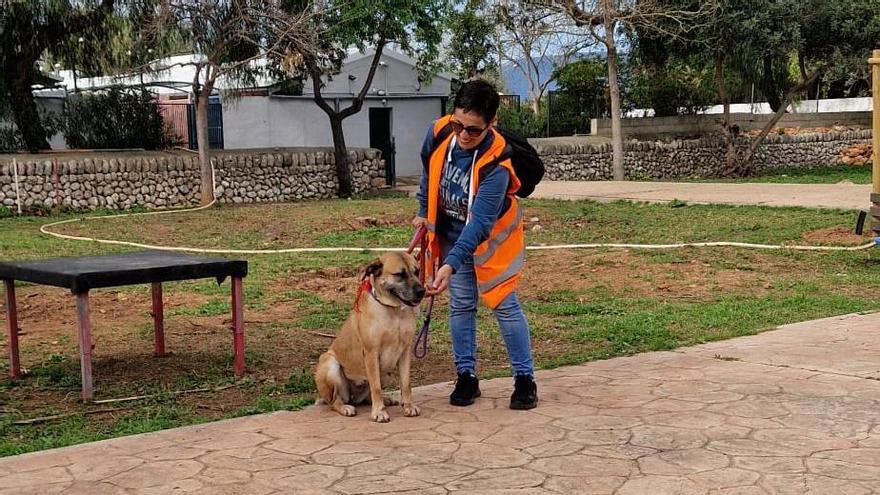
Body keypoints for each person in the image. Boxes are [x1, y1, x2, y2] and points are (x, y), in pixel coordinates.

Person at [412, 79, 538, 410]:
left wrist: (450, 265)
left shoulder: (498, 165)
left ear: (491, 124)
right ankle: (466, 377)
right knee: (461, 304)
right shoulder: (440, 132)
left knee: (504, 304)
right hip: (451, 233)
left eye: (473, 130)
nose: (463, 135)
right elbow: (429, 172)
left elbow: (481, 223)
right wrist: (423, 213)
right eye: (458, 124)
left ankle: (525, 380)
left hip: (491, 241)